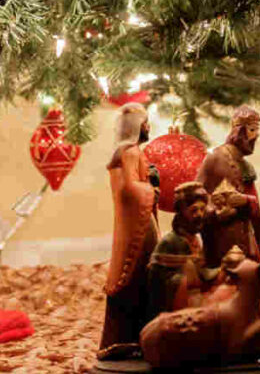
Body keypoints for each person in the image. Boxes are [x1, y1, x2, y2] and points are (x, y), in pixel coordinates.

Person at [98, 103, 160, 360]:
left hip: (140, 220)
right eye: (145, 123)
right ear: (138, 127)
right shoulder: (130, 152)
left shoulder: (127, 152)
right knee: (141, 272)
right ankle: (135, 336)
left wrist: (150, 177)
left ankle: (131, 337)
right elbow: (130, 190)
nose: (148, 128)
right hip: (140, 226)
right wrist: (151, 189)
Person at [196, 106, 260, 266]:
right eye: (252, 129)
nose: (256, 135)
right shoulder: (215, 158)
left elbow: (254, 204)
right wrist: (216, 213)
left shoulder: (245, 166)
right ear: (239, 131)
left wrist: (246, 201)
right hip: (221, 239)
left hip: (244, 238)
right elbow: (197, 196)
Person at [147, 182, 223, 317]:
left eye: (202, 209)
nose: (199, 215)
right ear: (181, 213)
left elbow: (202, 272)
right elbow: (157, 279)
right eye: (194, 210)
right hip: (174, 307)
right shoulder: (171, 242)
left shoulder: (195, 239)